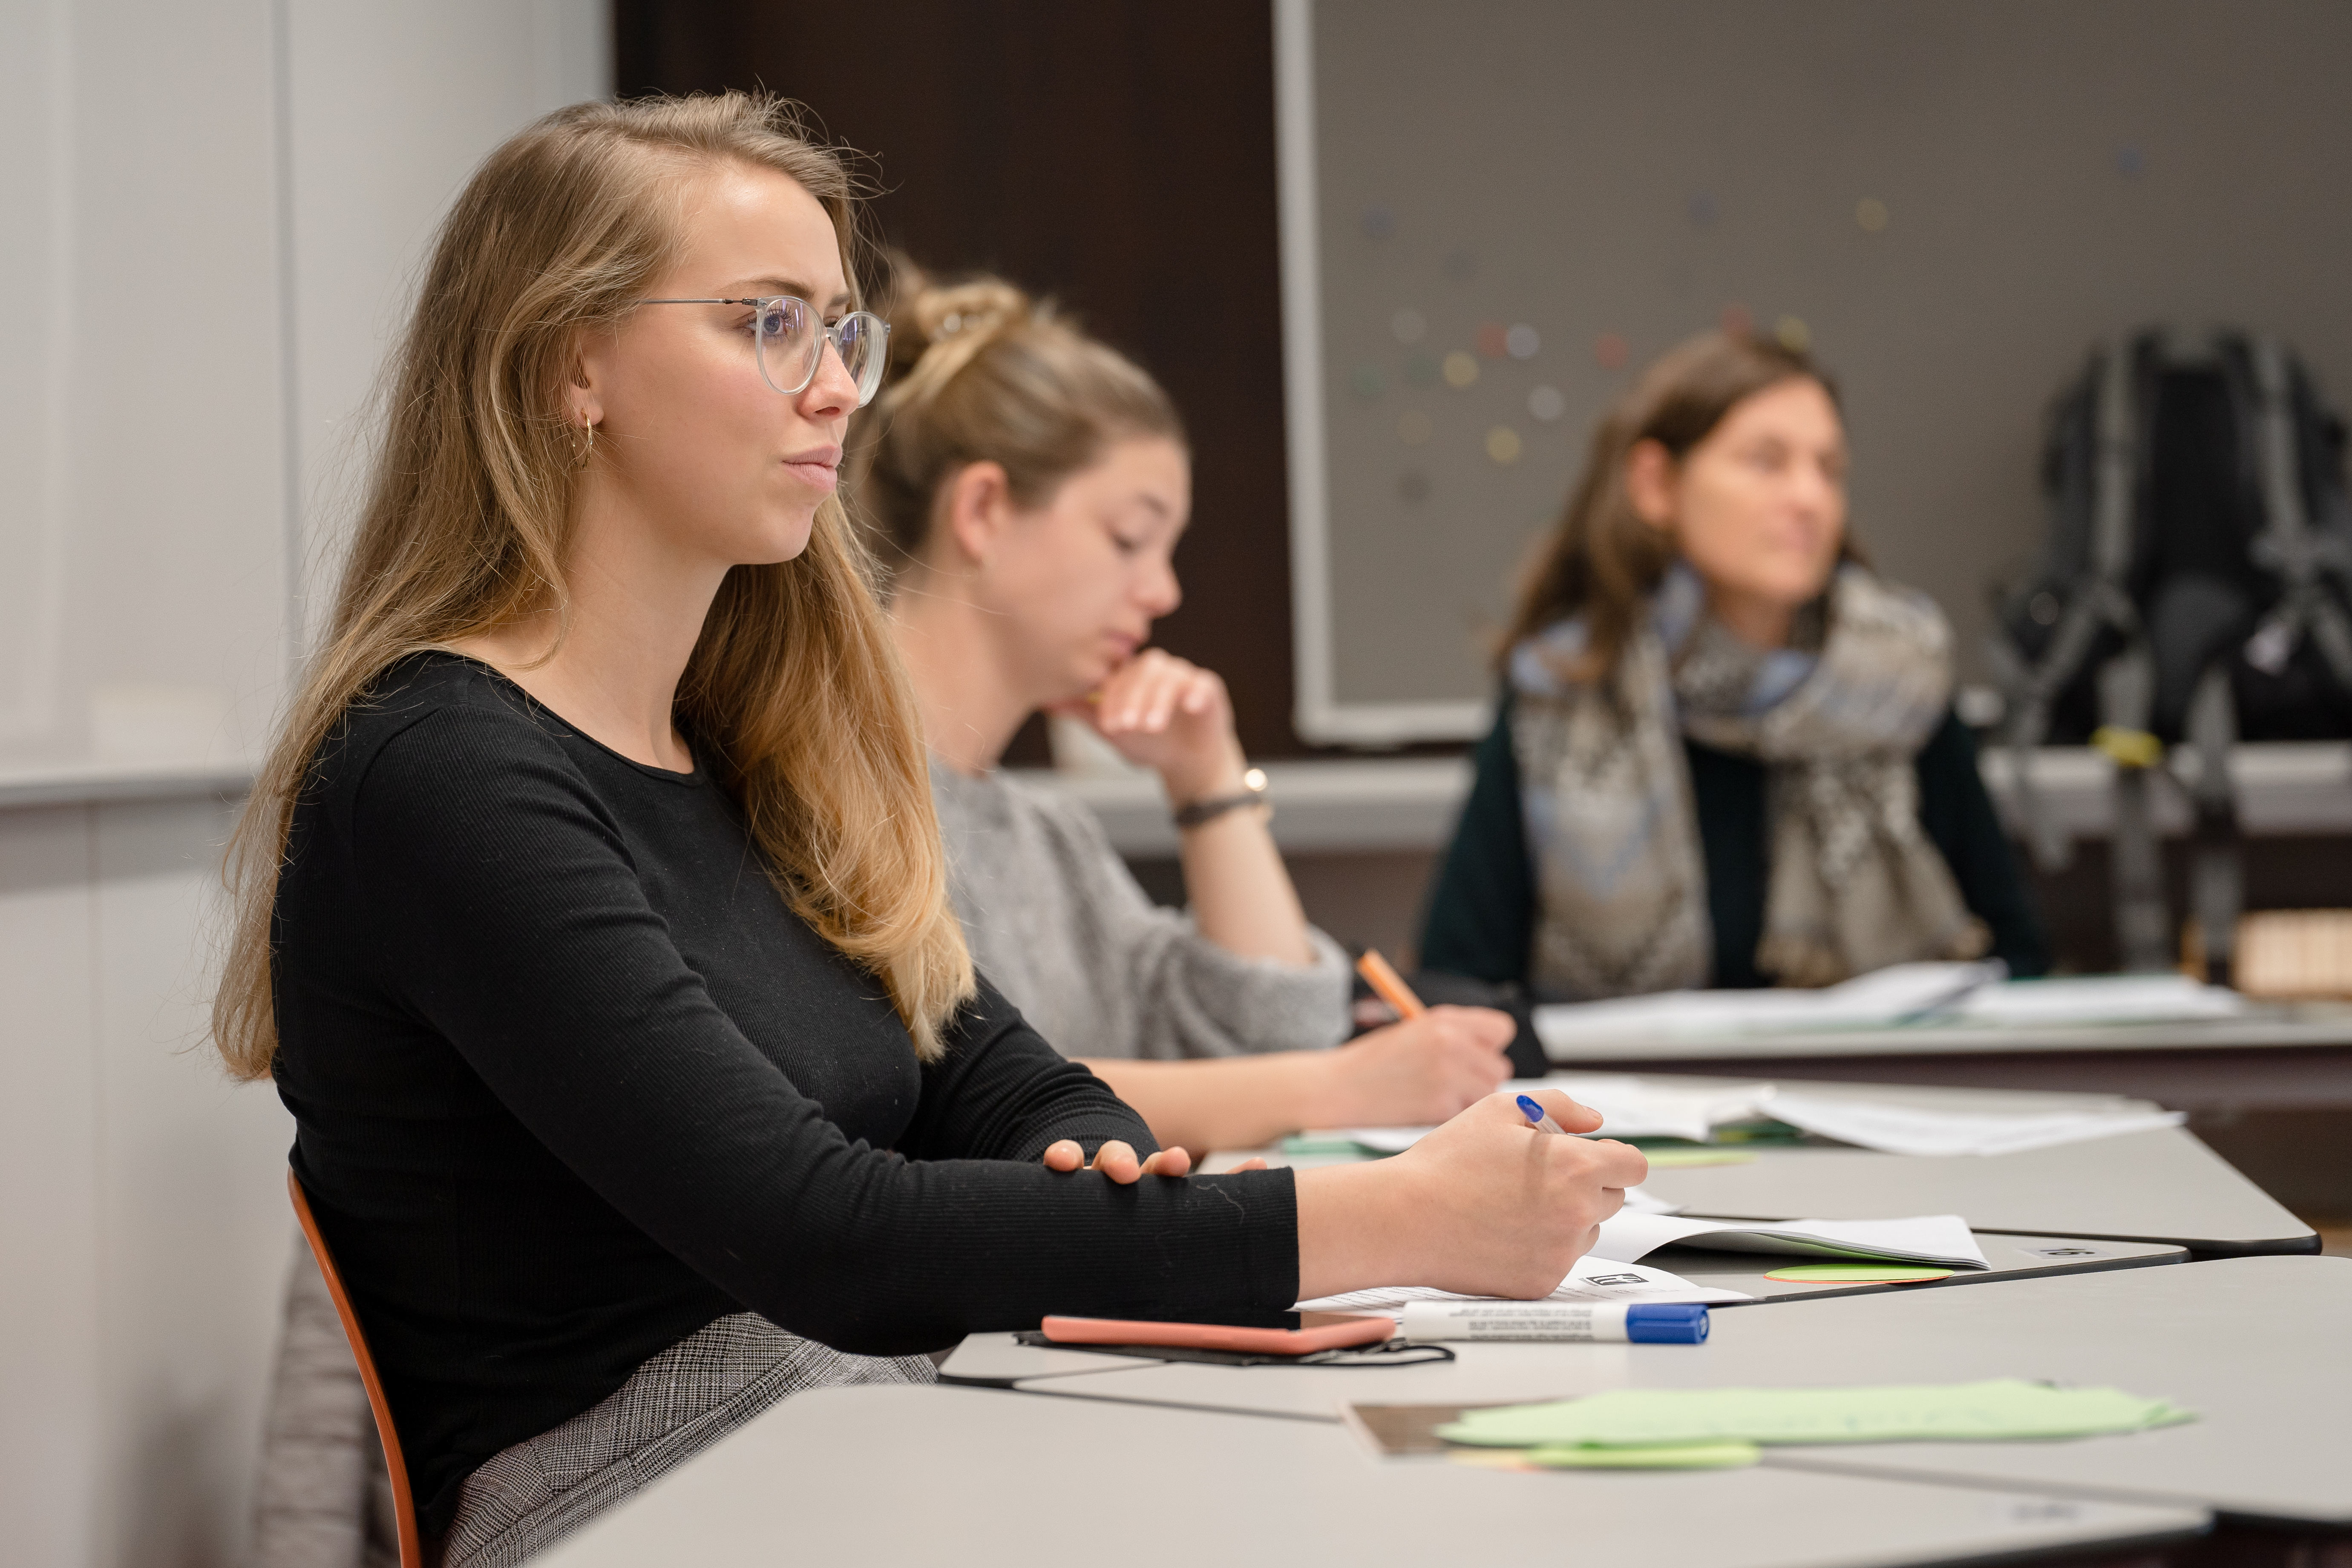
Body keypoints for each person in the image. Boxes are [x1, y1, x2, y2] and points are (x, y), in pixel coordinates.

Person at [219, 92, 1642, 1564]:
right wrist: (1401, 1217)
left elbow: (1008, 1085)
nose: (835, 386)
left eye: (841, 332)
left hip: (862, 1416)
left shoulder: (749, 751)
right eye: (768, 324)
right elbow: (823, 1240)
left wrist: (1092, 1165)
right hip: (644, 1494)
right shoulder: (441, 771)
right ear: (571, 359)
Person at [864, 267, 1515, 1154]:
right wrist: (1337, 1086)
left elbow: (1275, 1026)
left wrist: (1206, 780)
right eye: (1129, 538)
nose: (1162, 590)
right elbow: (953, 1095)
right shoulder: (842, 806)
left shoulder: (1048, 840)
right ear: (981, 509)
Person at [1419, 330, 2046, 1000]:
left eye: (1829, 469)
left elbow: (2015, 956)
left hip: (1881, 1090)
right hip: (1625, 1099)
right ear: (1655, 484)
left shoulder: (1896, 681)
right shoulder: (1564, 691)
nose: (1808, 497)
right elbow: (1460, 977)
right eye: (1765, 462)